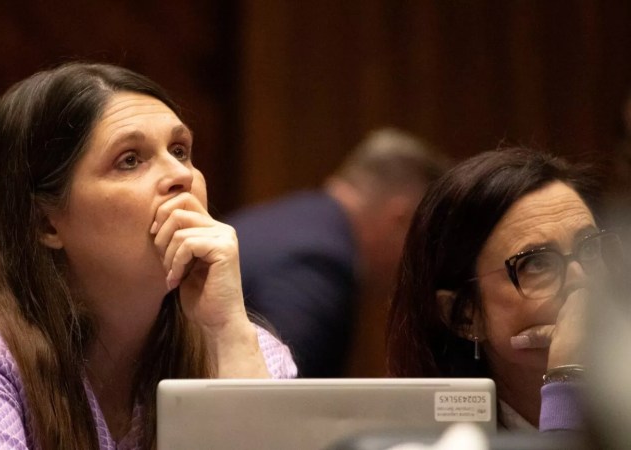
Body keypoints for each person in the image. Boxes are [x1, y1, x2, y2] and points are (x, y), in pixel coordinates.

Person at [0, 62, 297, 449]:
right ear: (45, 224)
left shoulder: (250, 353)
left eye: (181, 150)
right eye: (129, 160)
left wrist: (228, 332)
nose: (180, 175)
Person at [386, 148, 613, 432]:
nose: (581, 280)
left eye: (590, 249)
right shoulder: (439, 441)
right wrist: (568, 385)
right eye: (538, 263)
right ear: (465, 316)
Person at [227, 129, 447, 377]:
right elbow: (282, 398)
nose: (423, 263)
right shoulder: (320, 262)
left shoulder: (294, 217)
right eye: (427, 242)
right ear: (400, 219)